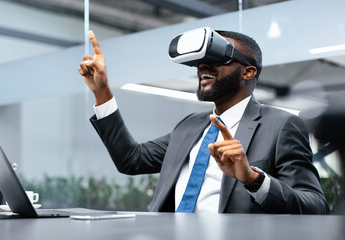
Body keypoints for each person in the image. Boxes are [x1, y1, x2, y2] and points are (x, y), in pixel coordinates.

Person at [78, 30, 329, 214]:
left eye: (218, 57)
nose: (203, 66)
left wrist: (253, 179)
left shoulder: (282, 125)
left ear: (248, 72)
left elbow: (315, 206)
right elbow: (131, 159)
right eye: (200, 61)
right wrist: (102, 93)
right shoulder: (190, 126)